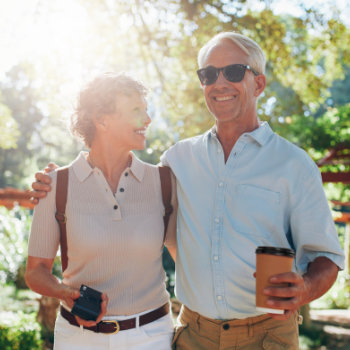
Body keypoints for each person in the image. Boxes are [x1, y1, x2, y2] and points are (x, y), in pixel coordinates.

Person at [31, 32, 345, 349]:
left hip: (268, 334)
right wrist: (59, 179)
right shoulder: (178, 160)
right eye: (209, 75)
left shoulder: (294, 164)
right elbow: (111, 174)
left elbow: (326, 258)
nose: (219, 83)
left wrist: (304, 289)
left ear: (259, 84)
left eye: (233, 72)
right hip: (194, 335)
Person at [25, 72, 177, 350]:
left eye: (146, 110)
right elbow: (36, 271)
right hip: (77, 339)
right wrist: (65, 293)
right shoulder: (56, 186)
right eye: (136, 111)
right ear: (101, 119)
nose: (147, 119)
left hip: (152, 336)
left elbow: (189, 258)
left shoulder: (164, 182)